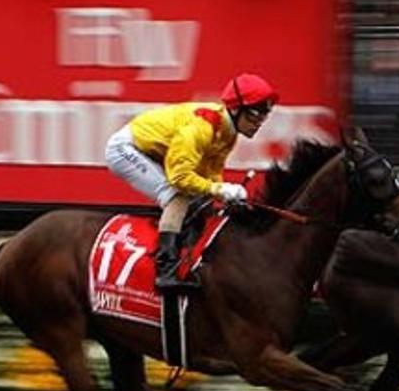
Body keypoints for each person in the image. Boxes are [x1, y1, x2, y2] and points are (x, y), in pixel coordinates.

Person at [104, 73, 278, 291]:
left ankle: (186, 255)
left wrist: (223, 195)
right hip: (125, 150)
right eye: (255, 114)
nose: (259, 122)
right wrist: (219, 189)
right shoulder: (200, 129)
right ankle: (165, 271)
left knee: (201, 199)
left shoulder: (228, 133)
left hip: (155, 151)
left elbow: (211, 171)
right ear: (235, 109)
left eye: (265, 115)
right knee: (177, 196)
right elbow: (180, 177)